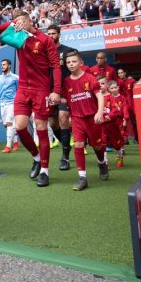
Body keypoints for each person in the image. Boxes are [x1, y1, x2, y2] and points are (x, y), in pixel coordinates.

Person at [0, 10, 62, 188]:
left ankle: (45, 171)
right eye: (16, 22)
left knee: (41, 128)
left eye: (21, 22)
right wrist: (12, 24)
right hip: (23, 89)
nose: (18, 25)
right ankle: (36, 158)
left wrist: (55, 91)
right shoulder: (19, 37)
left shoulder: (45, 40)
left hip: (41, 90)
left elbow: (56, 66)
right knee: (19, 127)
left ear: (29, 21)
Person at [61, 51, 106, 191]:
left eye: (74, 62)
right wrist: (56, 100)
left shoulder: (90, 78)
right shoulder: (66, 81)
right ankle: (82, 177)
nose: (71, 64)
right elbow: (66, 99)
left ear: (81, 63)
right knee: (78, 145)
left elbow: (100, 96)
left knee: (97, 147)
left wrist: (99, 112)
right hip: (77, 119)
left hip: (92, 118)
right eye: (68, 62)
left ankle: (101, 162)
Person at [46, 24, 78, 171]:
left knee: (63, 119)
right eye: (49, 33)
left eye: (53, 33)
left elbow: (75, 70)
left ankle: (65, 156)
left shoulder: (67, 51)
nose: (51, 36)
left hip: (64, 92)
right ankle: (67, 143)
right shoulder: (44, 52)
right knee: (53, 123)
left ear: (59, 34)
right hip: (48, 92)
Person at [0, 59, 19, 153]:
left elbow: (19, 90)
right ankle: (15, 142)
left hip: (12, 103)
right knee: (6, 125)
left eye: (4, 64)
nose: (2, 66)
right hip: (2, 104)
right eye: (1, 65)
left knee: (9, 123)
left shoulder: (16, 78)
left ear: (9, 66)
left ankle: (8, 146)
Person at [100, 79, 127, 168]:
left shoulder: (111, 97)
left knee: (117, 144)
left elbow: (116, 109)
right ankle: (105, 163)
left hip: (112, 124)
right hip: (102, 125)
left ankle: (120, 156)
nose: (100, 85)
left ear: (106, 86)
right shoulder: (97, 97)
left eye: (102, 83)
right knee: (102, 144)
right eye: (99, 84)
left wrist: (110, 116)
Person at [116, 68, 138, 143]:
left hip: (131, 103)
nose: (120, 74)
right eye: (119, 73)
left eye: (122, 72)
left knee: (134, 121)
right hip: (122, 103)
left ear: (125, 73)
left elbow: (136, 90)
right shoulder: (117, 83)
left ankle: (137, 138)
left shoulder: (131, 81)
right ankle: (125, 138)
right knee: (122, 121)